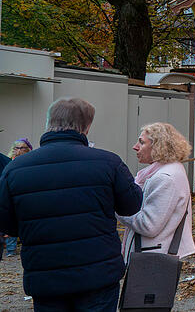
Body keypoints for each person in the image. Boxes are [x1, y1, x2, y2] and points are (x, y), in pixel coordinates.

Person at [0, 97, 143, 311]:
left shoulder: (15, 168)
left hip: (46, 276)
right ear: (86, 127)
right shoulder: (108, 162)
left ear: (48, 123)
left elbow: (7, 223)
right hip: (97, 275)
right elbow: (131, 206)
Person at [118, 122, 195, 263]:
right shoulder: (168, 170)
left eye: (142, 142)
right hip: (155, 253)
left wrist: (119, 210)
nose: (135, 147)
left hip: (152, 258)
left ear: (158, 147)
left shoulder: (164, 178)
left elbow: (148, 226)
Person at [3, 138, 32, 257]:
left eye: (22, 148)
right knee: (12, 218)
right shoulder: (8, 161)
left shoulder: (31, 161)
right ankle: (11, 249)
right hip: (13, 193)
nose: (19, 150)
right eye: (17, 148)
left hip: (26, 194)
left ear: (28, 149)